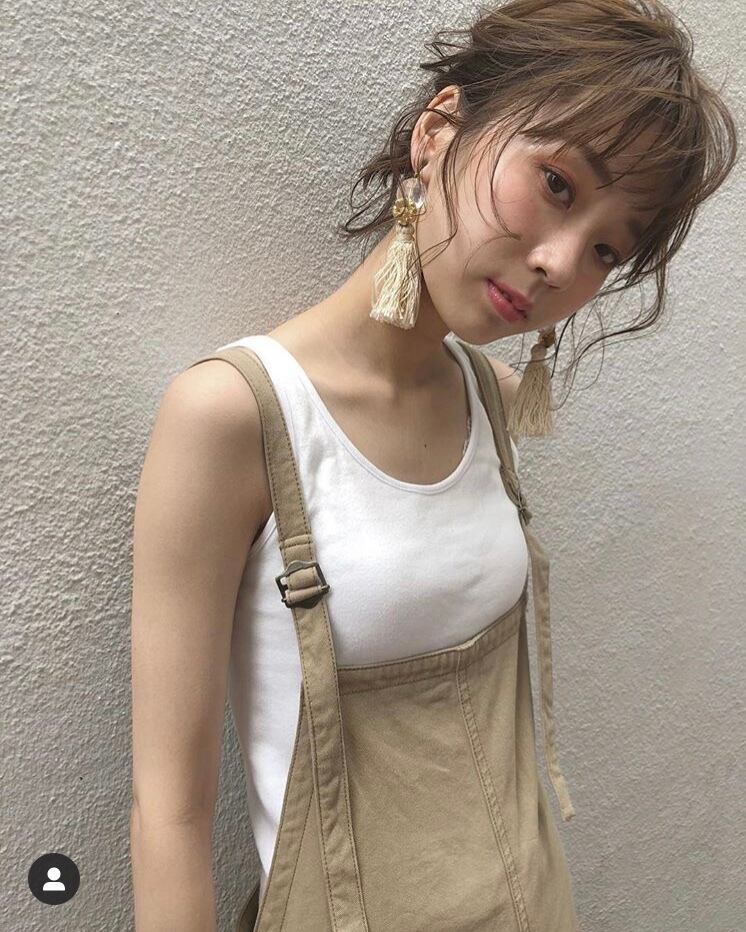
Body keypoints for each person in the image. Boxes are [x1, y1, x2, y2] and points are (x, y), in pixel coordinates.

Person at [129, 1, 739, 929]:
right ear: (438, 131)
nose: (559, 264)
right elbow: (169, 813)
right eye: (558, 184)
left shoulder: (488, 398)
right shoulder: (236, 417)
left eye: (606, 249)